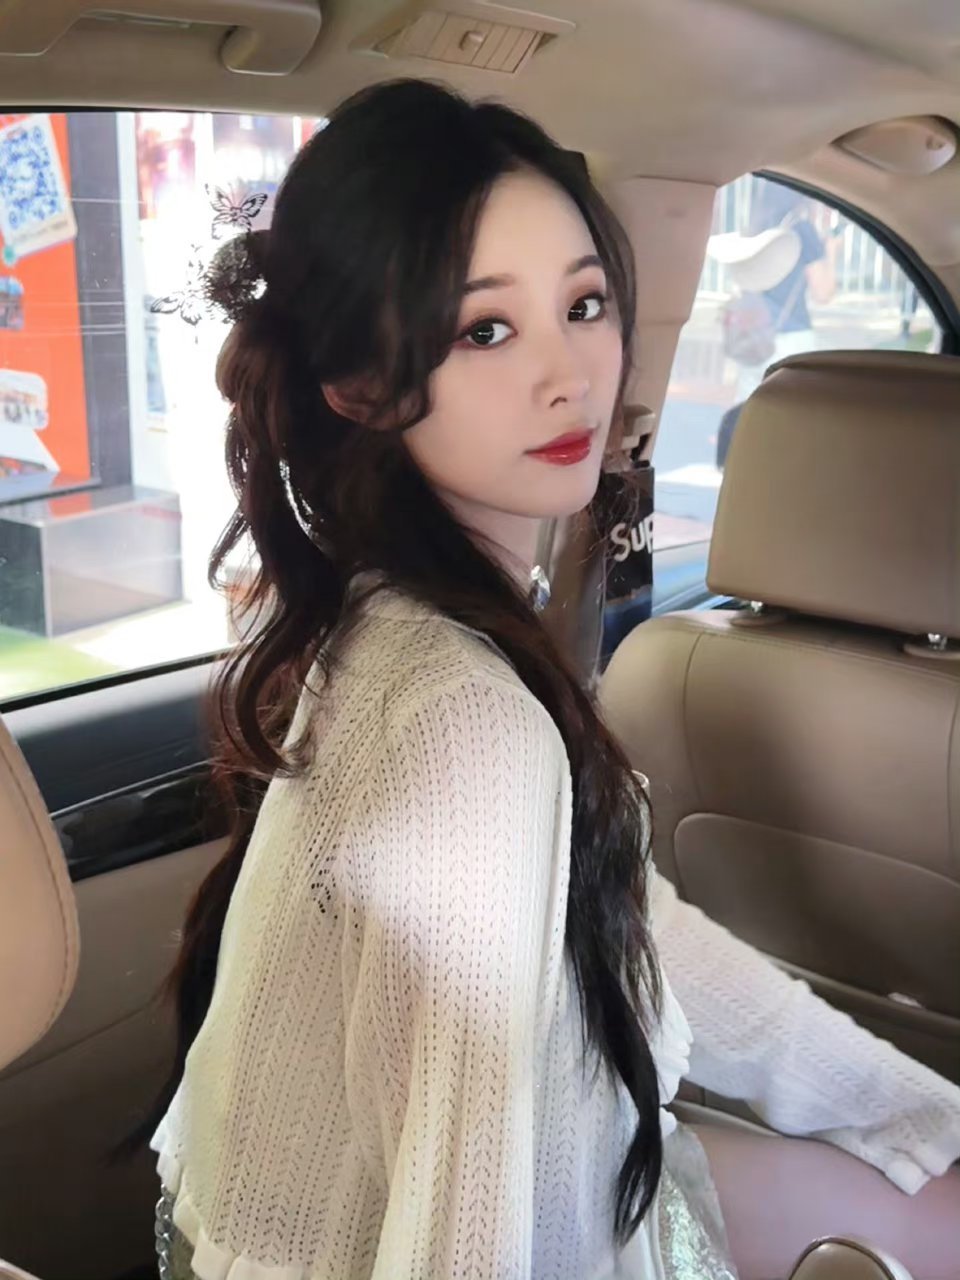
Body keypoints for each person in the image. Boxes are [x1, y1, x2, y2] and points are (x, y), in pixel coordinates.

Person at [136, 81, 960, 1280]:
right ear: (360, 384)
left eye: (582, 305)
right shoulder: (469, 719)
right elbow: (465, 1237)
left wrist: (917, 1113)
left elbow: (632, 932)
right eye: (485, 329)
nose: (569, 374)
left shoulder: (389, 619)